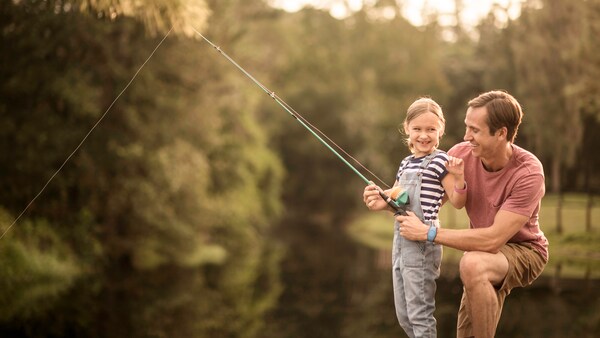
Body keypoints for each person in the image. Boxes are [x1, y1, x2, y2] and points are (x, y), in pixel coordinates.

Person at [385, 90, 548, 338]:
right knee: (466, 332)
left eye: (475, 130)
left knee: (472, 263)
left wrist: (428, 233)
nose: (465, 136)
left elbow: (494, 239)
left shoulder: (528, 172)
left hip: (524, 249)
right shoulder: (461, 155)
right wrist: (386, 201)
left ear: (501, 133)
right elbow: (426, 201)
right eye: (466, 127)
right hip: (481, 250)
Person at [364, 97, 467, 338]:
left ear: (440, 129)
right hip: (400, 242)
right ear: (407, 129)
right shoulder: (405, 163)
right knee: (405, 317)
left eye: (431, 129)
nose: (424, 135)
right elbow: (399, 201)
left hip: (422, 245)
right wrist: (380, 201)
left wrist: (460, 177)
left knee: (420, 317)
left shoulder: (441, 161)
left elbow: (459, 202)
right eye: (418, 129)